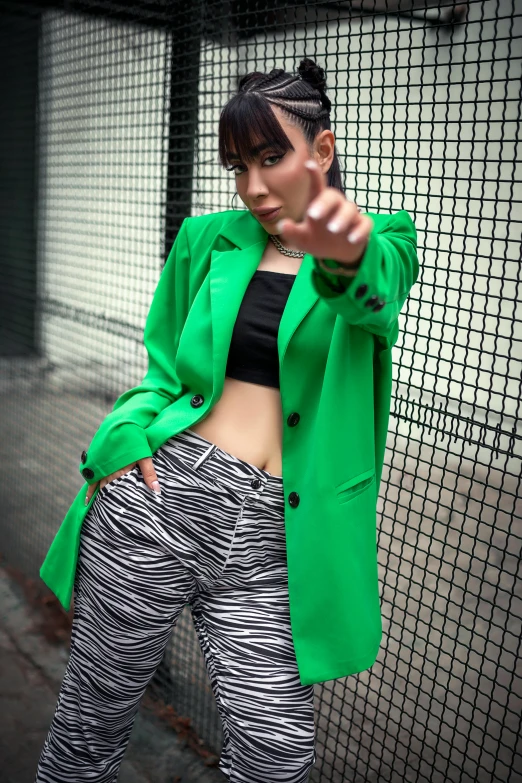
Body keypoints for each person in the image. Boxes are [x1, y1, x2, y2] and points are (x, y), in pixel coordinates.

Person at [35, 58, 419, 782]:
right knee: (90, 725)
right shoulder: (207, 239)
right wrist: (118, 441)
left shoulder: (384, 240)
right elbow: (161, 371)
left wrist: (340, 242)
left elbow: (372, 293)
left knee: (278, 756)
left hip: (278, 538)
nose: (252, 186)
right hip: (159, 502)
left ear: (323, 151)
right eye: (239, 166)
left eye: (271, 159)